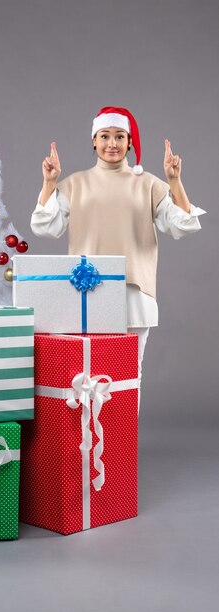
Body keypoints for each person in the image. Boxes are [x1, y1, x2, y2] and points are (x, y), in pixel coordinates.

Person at [31, 106, 205, 403]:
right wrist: (49, 184)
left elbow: (183, 225)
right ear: (94, 141)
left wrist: (174, 182)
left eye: (119, 136)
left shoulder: (149, 184)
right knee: (87, 371)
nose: (112, 143)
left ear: (130, 143)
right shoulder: (74, 184)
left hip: (134, 292)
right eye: (105, 136)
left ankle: (123, 446)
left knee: (128, 374)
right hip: (87, 293)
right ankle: (93, 445)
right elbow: (45, 227)